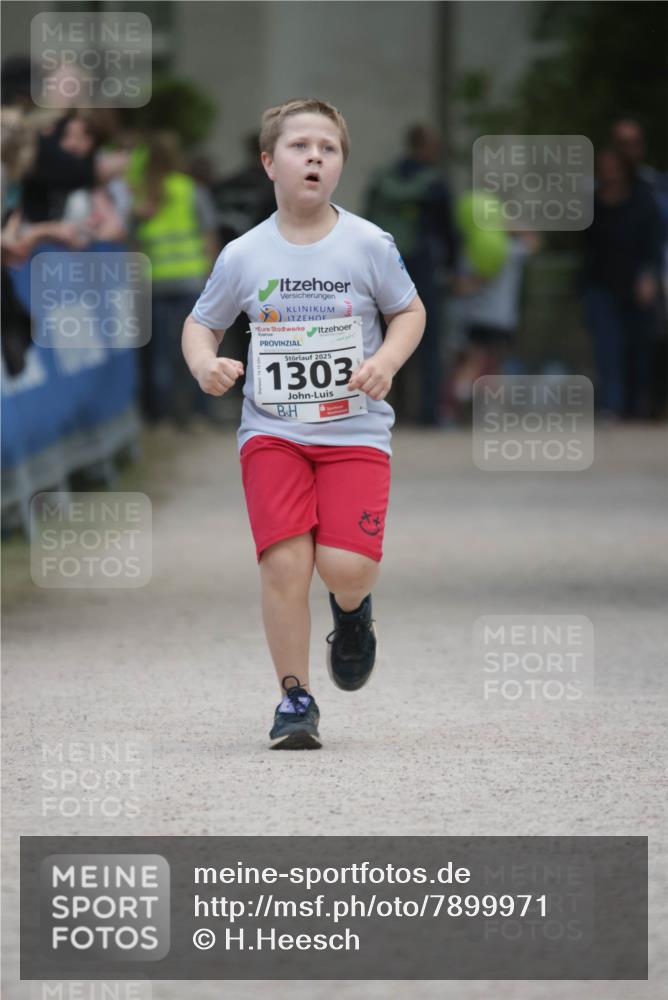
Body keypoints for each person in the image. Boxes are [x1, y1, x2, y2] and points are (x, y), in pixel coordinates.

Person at [182, 98, 425, 749]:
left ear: (341, 164)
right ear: (268, 162)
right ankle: (295, 699)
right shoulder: (244, 254)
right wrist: (206, 361)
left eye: (329, 148)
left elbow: (409, 312)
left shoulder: (369, 244)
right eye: (299, 146)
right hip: (273, 432)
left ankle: (352, 614)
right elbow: (201, 321)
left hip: (355, 434)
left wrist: (387, 360)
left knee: (345, 568)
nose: (315, 156)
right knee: (285, 566)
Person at [364, 124, 457, 425]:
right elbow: (449, 232)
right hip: (423, 266)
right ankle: (428, 412)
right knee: (426, 339)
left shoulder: (383, 179)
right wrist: (452, 269)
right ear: (428, 146)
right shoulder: (435, 184)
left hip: (384, 266)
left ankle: (394, 408)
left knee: (388, 339)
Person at [582, 148, 663, 420]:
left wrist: (649, 276)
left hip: (636, 284)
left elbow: (653, 244)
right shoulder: (593, 203)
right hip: (601, 284)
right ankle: (611, 405)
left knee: (638, 348)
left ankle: (634, 405)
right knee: (608, 347)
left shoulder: (643, 200)